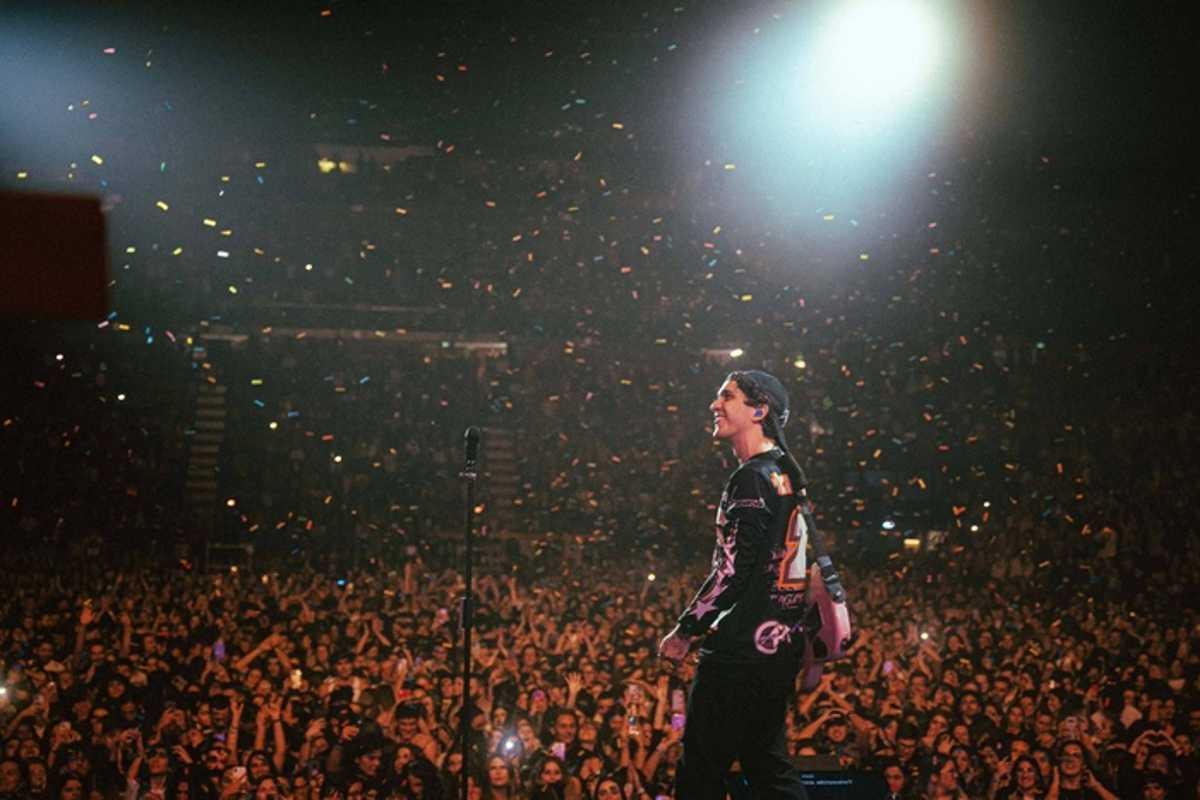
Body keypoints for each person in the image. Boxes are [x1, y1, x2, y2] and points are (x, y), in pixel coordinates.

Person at [658, 370, 812, 799]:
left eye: (727, 396)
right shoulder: (787, 474)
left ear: (759, 410)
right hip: (778, 648)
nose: (715, 405)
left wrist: (687, 629)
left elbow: (732, 570)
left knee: (701, 772)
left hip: (740, 651)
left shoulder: (752, 477)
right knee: (766, 763)